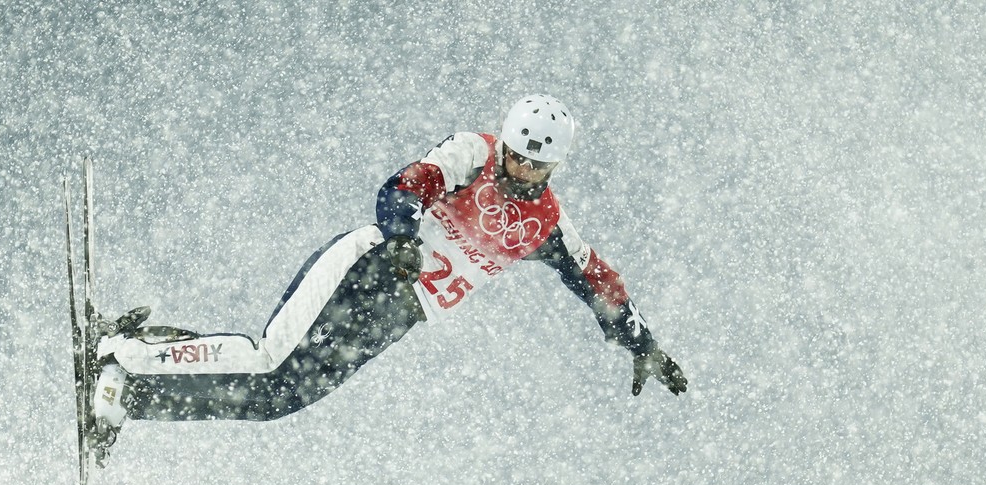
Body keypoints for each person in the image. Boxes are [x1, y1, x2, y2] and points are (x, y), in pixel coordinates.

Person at [87, 94, 686, 460]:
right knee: (269, 355)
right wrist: (402, 238)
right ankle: (121, 352)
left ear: (555, 165)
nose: (521, 168)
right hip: (369, 267)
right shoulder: (472, 154)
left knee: (279, 399)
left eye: (537, 162)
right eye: (517, 153)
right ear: (503, 141)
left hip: (397, 315)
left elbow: (597, 281)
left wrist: (642, 341)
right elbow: (405, 185)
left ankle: (125, 397)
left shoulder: (546, 224)